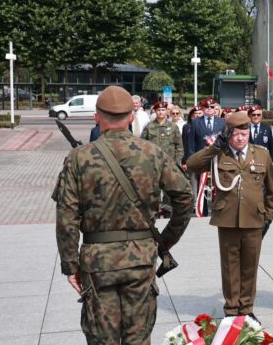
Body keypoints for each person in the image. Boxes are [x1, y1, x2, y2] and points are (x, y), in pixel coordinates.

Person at [54, 85, 192, 344]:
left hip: (98, 262)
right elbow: (185, 197)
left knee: (102, 339)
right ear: (131, 116)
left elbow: (66, 216)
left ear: (97, 117)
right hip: (140, 257)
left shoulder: (78, 158)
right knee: (138, 339)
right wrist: (167, 238)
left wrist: (70, 264)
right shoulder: (152, 152)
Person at [187, 112, 273, 322]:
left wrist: (269, 217)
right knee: (230, 266)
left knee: (250, 266)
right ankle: (231, 309)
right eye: (236, 134)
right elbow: (192, 164)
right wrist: (214, 147)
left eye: (244, 134)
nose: (240, 138)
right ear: (228, 134)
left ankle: (246, 308)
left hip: (254, 218)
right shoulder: (219, 153)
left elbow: (272, 188)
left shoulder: (261, 154)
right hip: (227, 219)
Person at [142, 101, 184, 218]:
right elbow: (142, 144)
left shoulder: (173, 127)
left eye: (163, 110)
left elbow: (179, 146)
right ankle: (154, 210)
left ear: (167, 112)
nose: (161, 112)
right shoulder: (149, 126)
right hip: (153, 163)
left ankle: (167, 210)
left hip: (169, 163)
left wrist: (177, 161)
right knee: (153, 187)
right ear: (155, 112)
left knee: (168, 187)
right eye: (158, 110)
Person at [188, 98, 226, 217]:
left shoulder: (222, 122)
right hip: (202, 160)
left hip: (217, 160)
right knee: (202, 185)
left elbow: (225, 142)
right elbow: (191, 144)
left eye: (212, 107)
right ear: (203, 108)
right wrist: (193, 160)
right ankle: (202, 210)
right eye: (207, 107)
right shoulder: (195, 122)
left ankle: (217, 210)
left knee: (217, 184)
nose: (210, 109)